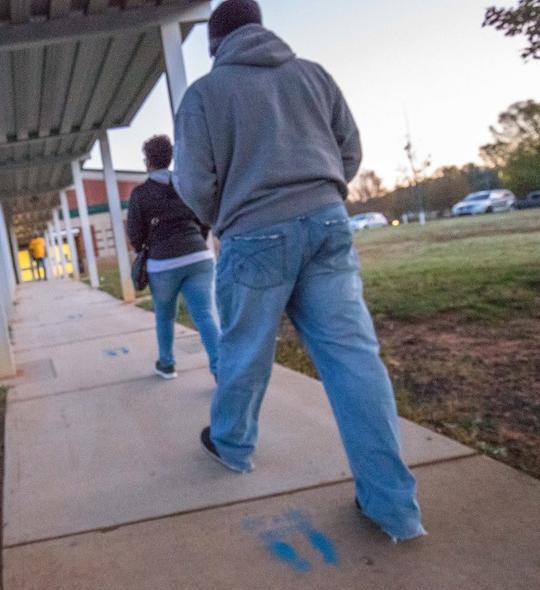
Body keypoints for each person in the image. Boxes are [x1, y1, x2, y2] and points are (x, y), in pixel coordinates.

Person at [173, 0, 425, 542]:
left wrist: (226, 217)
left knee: (245, 353)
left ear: (215, 45)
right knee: (355, 360)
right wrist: (322, 191)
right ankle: (393, 508)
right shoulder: (314, 75)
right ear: (261, 29)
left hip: (253, 236)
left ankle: (234, 446)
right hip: (329, 227)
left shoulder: (204, 95)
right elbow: (350, 150)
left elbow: (192, 182)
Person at [127, 135, 220, 381]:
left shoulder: (140, 194)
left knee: (165, 315)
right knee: (205, 315)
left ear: (148, 161)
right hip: (199, 256)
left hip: (163, 263)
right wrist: (194, 240)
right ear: (170, 158)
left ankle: (167, 364)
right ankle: (222, 369)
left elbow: (135, 234)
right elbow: (204, 218)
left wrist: (150, 246)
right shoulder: (185, 186)